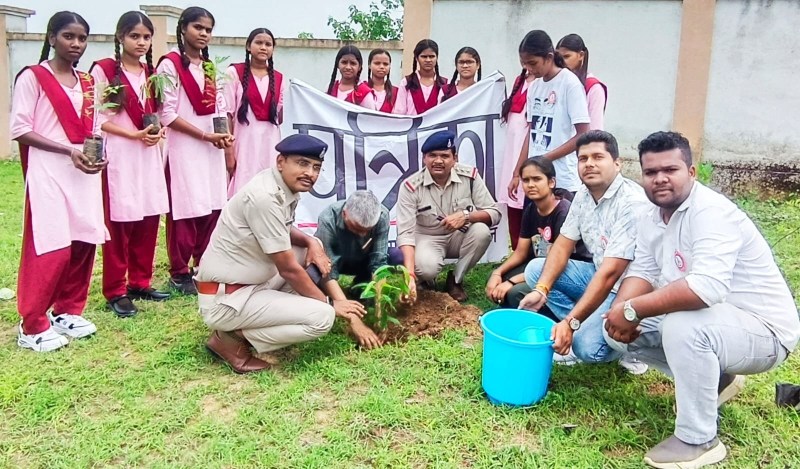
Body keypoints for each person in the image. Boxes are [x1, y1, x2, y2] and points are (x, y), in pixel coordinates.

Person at [603, 132, 800, 468]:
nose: (660, 178)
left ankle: (699, 440)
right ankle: (717, 378)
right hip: (719, 324)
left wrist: (633, 310)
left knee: (684, 324)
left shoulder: (712, 212)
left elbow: (705, 289)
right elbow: (644, 272)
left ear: (691, 172)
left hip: (765, 333)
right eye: (651, 172)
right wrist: (619, 312)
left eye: (671, 169)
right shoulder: (651, 215)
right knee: (613, 331)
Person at [194, 134, 370, 372]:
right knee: (322, 318)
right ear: (280, 162)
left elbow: (283, 229)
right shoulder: (264, 197)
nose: (311, 173)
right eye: (302, 163)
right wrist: (330, 304)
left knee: (309, 253)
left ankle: (272, 318)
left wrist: (311, 241)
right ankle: (231, 339)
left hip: (247, 284)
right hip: (226, 300)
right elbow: (288, 269)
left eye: (316, 167)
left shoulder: (278, 185)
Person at [11, 11, 107, 351]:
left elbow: (95, 127)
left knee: (83, 240)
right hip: (48, 171)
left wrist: (97, 153)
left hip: (83, 170)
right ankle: (32, 322)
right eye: (69, 36)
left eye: (82, 38)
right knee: (50, 244)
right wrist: (67, 150)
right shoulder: (33, 77)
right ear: (52, 38)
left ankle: (67, 309)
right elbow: (20, 129)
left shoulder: (88, 82)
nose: (76, 43)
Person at [519, 130, 650, 373]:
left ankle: (633, 349)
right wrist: (542, 290)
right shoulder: (583, 196)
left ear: (617, 163)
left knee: (587, 348)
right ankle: (579, 327)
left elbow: (612, 273)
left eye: (598, 157)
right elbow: (562, 244)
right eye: (583, 158)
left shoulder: (631, 203)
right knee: (537, 271)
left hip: (631, 290)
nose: (589, 164)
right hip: (599, 274)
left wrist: (571, 322)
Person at [90, 11, 170, 318]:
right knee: (120, 222)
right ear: (120, 37)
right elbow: (97, 117)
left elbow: (159, 112)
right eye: (134, 36)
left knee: (148, 218)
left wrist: (158, 130)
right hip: (121, 152)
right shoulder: (105, 70)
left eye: (146, 37)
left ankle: (140, 281)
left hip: (148, 153)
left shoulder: (152, 74)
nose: (141, 42)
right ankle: (115, 289)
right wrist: (133, 134)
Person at [157, 7, 233, 295]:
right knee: (186, 208)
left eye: (208, 29)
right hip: (185, 148)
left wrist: (223, 136)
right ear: (183, 28)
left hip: (212, 146)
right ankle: (179, 271)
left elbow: (220, 108)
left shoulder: (211, 67)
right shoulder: (169, 65)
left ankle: (204, 263)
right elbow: (167, 113)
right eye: (198, 28)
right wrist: (204, 135)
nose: (203, 34)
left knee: (213, 205)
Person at [396, 130, 501, 302]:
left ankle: (455, 280)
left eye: (444, 156)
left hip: (459, 235)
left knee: (482, 232)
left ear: (455, 158)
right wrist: (410, 274)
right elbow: (405, 234)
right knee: (426, 266)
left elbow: (494, 214)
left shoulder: (470, 176)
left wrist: (466, 216)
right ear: (424, 158)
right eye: (432, 155)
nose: (438, 161)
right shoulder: (410, 186)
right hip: (427, 237)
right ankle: (426, 280)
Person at [485, 157, 591, 309]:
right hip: (539, 264)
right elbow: (520, 252)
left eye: (536, 179)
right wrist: (497, 272)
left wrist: (511, 281)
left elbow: (557, 262)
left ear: (551, 182)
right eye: (526, 180)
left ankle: (555, 315)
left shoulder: (564, 211)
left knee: (516, 292)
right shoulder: (531, 209)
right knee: (497, 278)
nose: (531, 185)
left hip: (566, 271)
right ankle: (511, 311)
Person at [507, 30, 590, 201]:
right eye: (524, 64)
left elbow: (583, 134)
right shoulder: (535, 86)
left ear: (549, 57)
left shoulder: (570, 83)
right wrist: (517, 172)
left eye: (533, 63)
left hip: (562, 181)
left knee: (560, 228)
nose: (529, 69)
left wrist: (544, 159)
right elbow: (531, 133)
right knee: (532, 228)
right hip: (535, 178)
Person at [314, 190, 404, 349]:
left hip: (361, 260)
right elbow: (328, 271)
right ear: (344, 214)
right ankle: (333, 297)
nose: (363, 233)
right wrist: (354, 321)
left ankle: (357, 289)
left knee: (395, 256)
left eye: (368, 230)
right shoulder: (328, 219)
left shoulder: (382, 215)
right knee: (314, 271)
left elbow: (378, 262)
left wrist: (379, 310)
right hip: (335, 261)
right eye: (357, 228)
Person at [224, 27, 286, 197]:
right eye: (258, 43)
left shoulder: (279, 78)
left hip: (270, 145)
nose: (263, 47)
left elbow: (280, 117)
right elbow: (226, 113)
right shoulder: (234, 73)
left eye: (268, 44)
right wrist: (228, 150)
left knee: (268, 190)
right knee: (241, 190)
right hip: (243, 144)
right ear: (248, 46)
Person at [498, 67, 536, 249]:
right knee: (512, 203)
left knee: (528, 205)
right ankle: (517, 251)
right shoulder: (519, 80)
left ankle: (528, 255)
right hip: (511, 151)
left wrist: (518, 169)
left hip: (527, 151)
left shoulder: (542, 85)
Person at [557, 33, 607, 130]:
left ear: (581, 55)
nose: (561, 61)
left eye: (566, 56)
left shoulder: (593, 88)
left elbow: (595, 128)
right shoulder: (558, 83)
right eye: (559, 57)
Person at [392, 39, 447, 115]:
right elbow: (399, 112)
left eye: (431, 56)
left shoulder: (446, 84)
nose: (428, 60)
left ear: (437, 57)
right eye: (424, 56)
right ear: (416, 58)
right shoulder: (406, 82)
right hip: (411, 126)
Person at [326, 45, 376, 110]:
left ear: (359, 67)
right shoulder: (330, 87)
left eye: (353, 63)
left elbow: (370, 119)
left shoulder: (364, 93)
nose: (348, 67)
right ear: (337, 64)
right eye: (344, 62)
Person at [366, 48, 396, 113]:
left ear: (390, 66)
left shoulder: (397, 92)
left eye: (385, 64)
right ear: (369, 65)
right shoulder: (361, 89)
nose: (382, 67)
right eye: (377, 63)